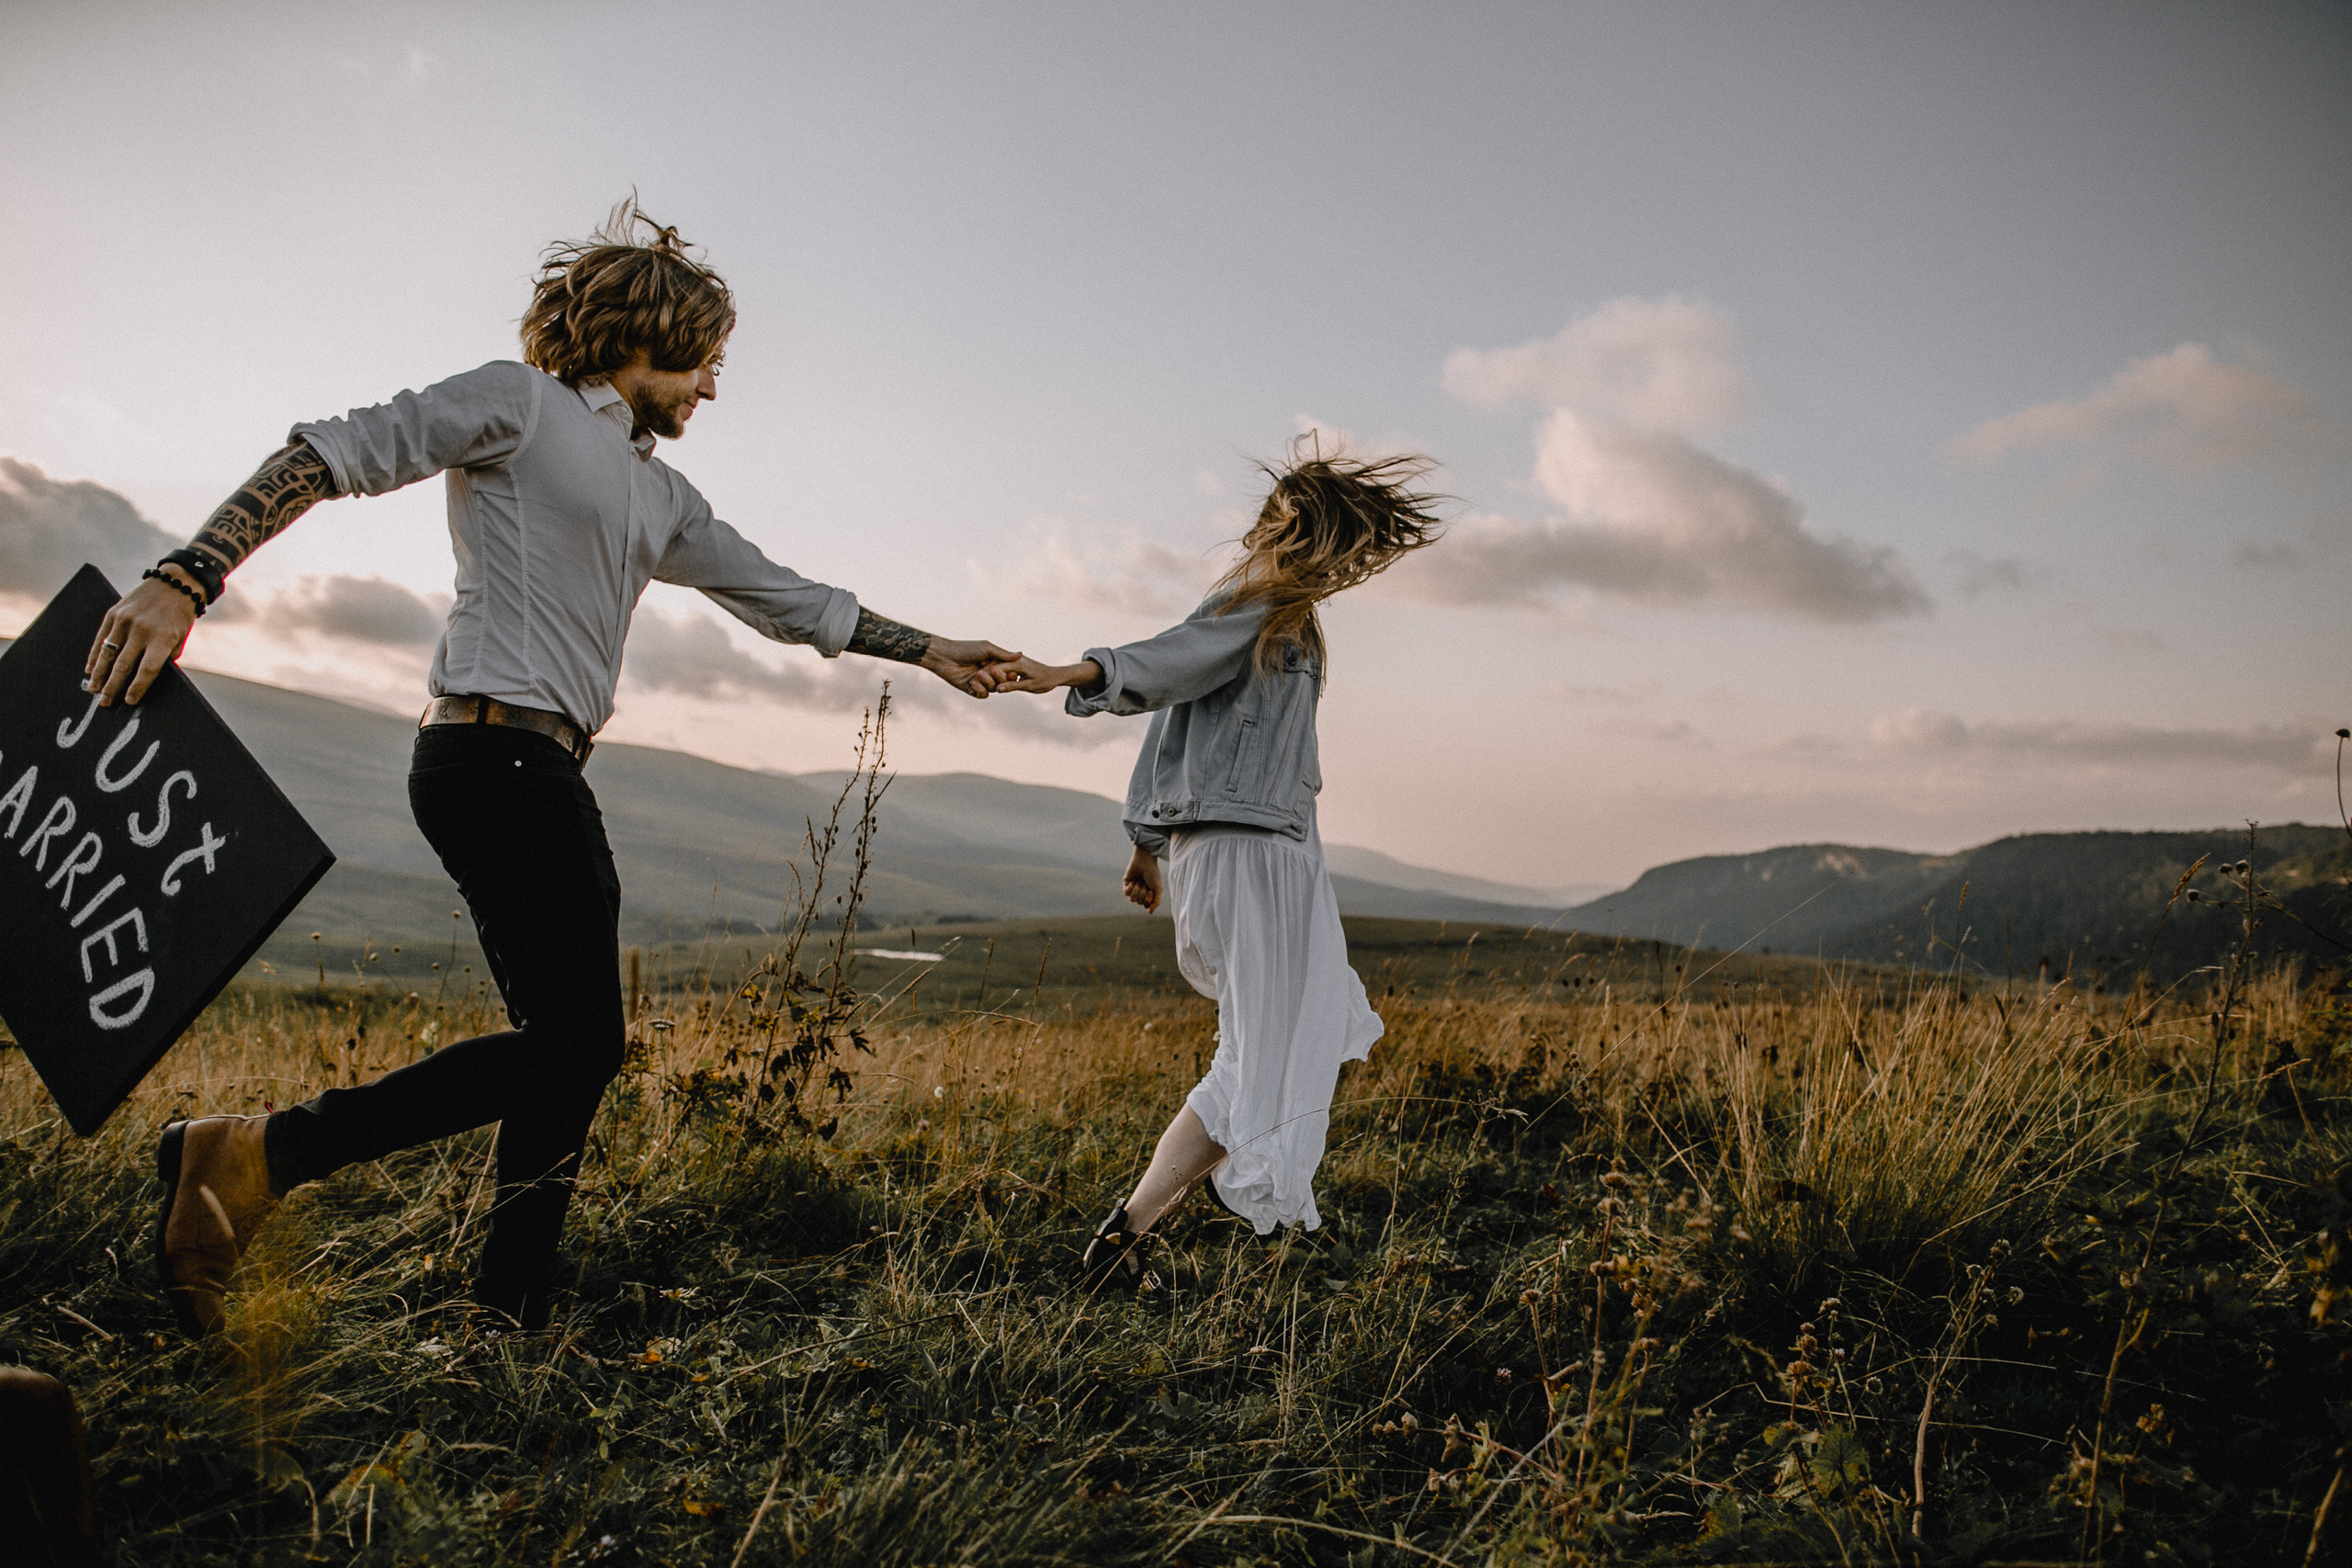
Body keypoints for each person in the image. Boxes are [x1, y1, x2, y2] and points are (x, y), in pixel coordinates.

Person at [84, 200, 1020, 1335]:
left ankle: (508, 1308)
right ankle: (257, 1155)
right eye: (708, 361)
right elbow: (328, 453)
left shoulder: (657, 492)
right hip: (484, 753)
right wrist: (186, 575)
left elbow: (785, 598)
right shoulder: (518, 405)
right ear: (654, 330)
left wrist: (929, 650)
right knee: (579, 1042)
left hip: (549, 768)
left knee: (564, 1048)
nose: (712, 390)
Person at [986, 446, 1443, 1285]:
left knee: (1272, 1048)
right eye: (1339, 545)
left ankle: (1125, 1237)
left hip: (1277, 852)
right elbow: (1166, 666)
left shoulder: (1290, 618)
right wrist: (1072, 673)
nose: (1345, 567)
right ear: (1305, 533)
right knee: (1266, 1052)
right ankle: (1145, 1235)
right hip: (1245, 854)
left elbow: (1179, 728)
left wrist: (1143, 842)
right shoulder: (1256, 604)